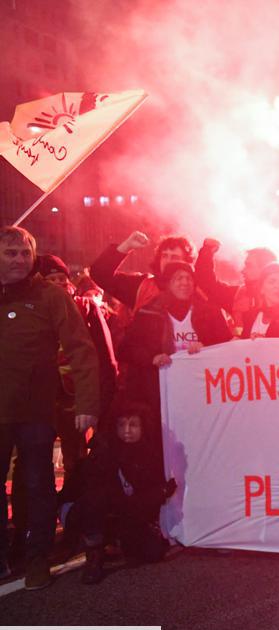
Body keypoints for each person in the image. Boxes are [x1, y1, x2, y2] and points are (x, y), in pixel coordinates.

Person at [0, 226, 100, 589]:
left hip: (36, 412)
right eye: (10, 253)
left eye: (24, 253)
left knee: (38, 484)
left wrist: (87, 402)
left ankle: (37, 558)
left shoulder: (50, 296)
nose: (18, 260)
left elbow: (81, 348)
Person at [59, 400, 176, 584]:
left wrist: (158, 493)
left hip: (124, 511)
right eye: (121, 425)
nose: (127, 430)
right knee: (98, 500)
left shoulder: (150, 454)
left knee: (152, 552)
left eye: (133, 425)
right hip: (86, 512)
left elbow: (139, 501)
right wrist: (158, 494)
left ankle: (115, 540)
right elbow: (99, 498)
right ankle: (94, 553)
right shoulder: (103, 453)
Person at [35, 254, 119, 472]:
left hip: (74, 393)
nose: (58, 283)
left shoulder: (86, 307)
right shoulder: (32, 309)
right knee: (34, 456)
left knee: (76, 455)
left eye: (61, 278)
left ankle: (73, 492)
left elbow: (105, 353)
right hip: (40, 394)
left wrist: (104, 391)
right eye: (51, 279)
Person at [118, 262, 232, 416]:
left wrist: (207, 347)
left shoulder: (210, 312)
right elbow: (125, 349)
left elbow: (227, 345)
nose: (185, 282)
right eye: (178, 278)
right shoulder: (148, 313)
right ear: (167, 283)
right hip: (160, 393)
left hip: (202, 390)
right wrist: (152, 358)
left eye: (189, 278)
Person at [90, 231, 195, 311]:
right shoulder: (142, 287)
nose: (168, 261)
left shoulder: (196, 290)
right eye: (164, 256)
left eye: (174, 257)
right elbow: (99, 274)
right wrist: (127, 245)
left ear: (187, 263)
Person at [195, 241, 277, 333]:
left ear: (265, 269)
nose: (243, 270)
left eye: (248, 266)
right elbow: (208, 285)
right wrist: (207, 252)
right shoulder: (238, 296)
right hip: (242, 343)